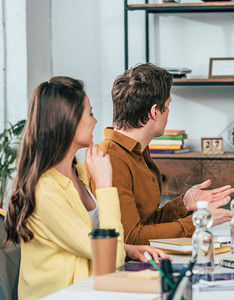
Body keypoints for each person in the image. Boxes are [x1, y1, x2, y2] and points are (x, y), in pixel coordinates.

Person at [4, 77, 170, 300]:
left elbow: (95, 241)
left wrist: (129, 249)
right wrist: (104, 186)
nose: (95, 121)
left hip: (91, 290)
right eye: (90, 113)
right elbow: (110, 259)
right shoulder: (46, 192)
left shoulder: (77, 173)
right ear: (68, 122)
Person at [89, 63, 234, 245]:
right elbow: (131, 237)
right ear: (154, 112)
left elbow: (146, 223)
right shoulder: (112, 159)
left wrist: (183, 204)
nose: (168, 112)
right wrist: (198, 222)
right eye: (168, 105)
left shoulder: (137, 153)